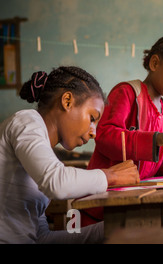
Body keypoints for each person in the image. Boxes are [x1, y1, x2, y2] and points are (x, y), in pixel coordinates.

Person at [0, 66, 140, 244]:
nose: (94, 132)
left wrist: (113, 228)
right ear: (67, 101)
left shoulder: (42, 154)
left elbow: (42, 238)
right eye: (92, 118)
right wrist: (110, 176)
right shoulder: (25, 122)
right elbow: (57, 182)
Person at [83, 35, 163, 226]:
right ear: (155, 63)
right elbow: (105, 136)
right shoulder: (126, 93)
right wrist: (155, 139)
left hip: (138, 200)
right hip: (104, 201)